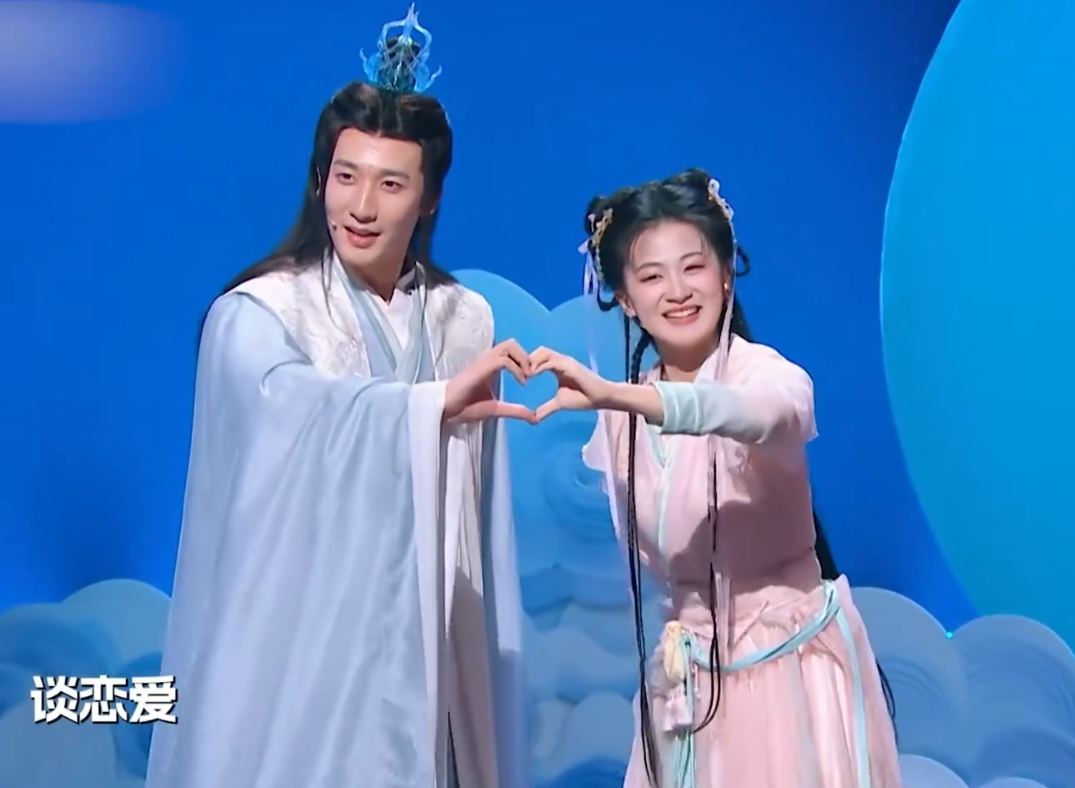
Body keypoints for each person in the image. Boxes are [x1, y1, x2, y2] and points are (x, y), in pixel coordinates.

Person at [145, 8, 531, 788]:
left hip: (431, 641)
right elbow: (286, 408)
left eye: (391, 184)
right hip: (302, 652)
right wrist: (422, 409)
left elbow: (471, 523)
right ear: (319, 179)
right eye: (344, 177)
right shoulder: (259, 313)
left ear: (428, 199)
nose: (360, 206)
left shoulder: (464, 319)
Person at [528, 168, 901, 787]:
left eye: (694, 267)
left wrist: (624, 397)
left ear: (726, 273)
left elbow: (752, 414)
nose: (677, 291)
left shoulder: (770, 379)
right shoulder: (618, 422)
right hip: (687, 684)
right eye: (652, 276)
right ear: (626, 298)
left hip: (790, 672)